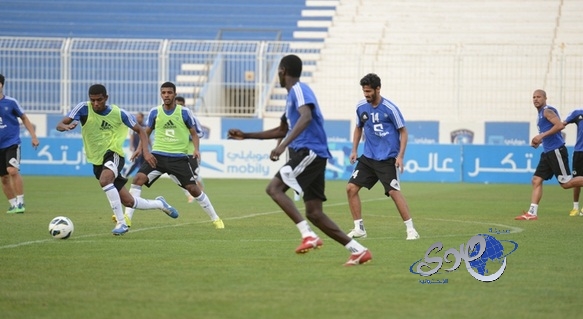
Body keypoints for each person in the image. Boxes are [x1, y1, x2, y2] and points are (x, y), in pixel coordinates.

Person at [228, 54, 372, 266]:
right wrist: (246, 135)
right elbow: (281, 129)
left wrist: (283, 145)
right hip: (311, 154)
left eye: (278, 70)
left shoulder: (299, 90)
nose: (278, 74)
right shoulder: (290, 98)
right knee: (314, 213)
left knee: (274, 189)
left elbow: (306, 117)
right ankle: (358, 250)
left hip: (309, 151)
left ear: (283, 71)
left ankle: (308, 235)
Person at [56, 84, 180, 235]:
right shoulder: (83, 108)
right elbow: (60, 124)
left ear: (106, 98)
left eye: (99, 100)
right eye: (93, 100)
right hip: (97, 159)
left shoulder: (119, 113)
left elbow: (140, 130)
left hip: (114, 154)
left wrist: (146, 152)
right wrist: (65, 126)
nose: (96, 104)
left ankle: (122, 224)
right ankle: (160, 204)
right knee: (129, 201)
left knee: (105, 180)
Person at [123, 82, 224, 229]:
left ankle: (216, 218)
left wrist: (196, 149)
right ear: (160, 94)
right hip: (157, 156)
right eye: (163, 93)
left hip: (178, 158)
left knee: (194, 189)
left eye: (169, 93)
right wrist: (140, 149)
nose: (166, 95)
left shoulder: (184, 112)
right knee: (137, 179)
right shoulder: (155, 112)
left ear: (175, 94)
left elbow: (194, 133)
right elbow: (146, 132)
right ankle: (127, 218)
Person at [345, 73, 420, 240]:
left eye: (369, 91)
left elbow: (403, 131)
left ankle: (411, 230)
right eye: (364, 91)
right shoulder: (361, 107)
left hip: (387, 159)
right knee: (351, 188)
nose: (366, 95)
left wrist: (400, 156)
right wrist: (354, 150)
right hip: (369, 157)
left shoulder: (390, 108)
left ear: (378, 89)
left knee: (394, 192)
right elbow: (359, 127)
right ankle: (359, 228)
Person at [515, 89, 583, 220]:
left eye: (539, 97)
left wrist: (541, 136)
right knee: (536, 180)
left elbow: (559, 126)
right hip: (547, 153)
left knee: (566, 183)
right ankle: (532, 213)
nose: (536, 99)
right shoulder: (541, 114)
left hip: (556, 151)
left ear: (545, 98)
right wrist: (539, 141)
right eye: (534, 97)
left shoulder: (547, 111)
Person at [0, 74, 39, 214]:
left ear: (1, 85)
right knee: (3, 177)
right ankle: (13, 204)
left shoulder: (10, 102)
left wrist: (33, 136)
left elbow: (24, 118)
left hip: (12, 142)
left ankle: (21, 202)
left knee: (12, 171)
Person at [175, 95, 204, 203]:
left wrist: (187, 136)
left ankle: (199, 192)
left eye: (181, 105)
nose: (179, 107)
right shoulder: (172, 118)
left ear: (184, 105)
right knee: (178, 176)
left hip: (190, 152)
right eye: (177, 105)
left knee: (194, 176)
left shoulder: (192, 118)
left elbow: (200, 133)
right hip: (177, 152)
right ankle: (190, 195)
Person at [562, 108, 583, 217]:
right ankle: (575, 207)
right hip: (579, 152)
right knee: (576, 181)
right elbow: (563, 124)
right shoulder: (578, 113)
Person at [122, 112, 146, 178]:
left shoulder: (145, 126)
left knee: (143, 163)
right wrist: (131, 145)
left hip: (144, 148)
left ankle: (143, 176)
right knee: (135, 162)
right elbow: (131, 136)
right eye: (136, 117)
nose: (137, 118)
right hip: (136, 148)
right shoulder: (135, 126)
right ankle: (125, 174)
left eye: (139, 117)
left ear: (142, 118)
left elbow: (147, 137)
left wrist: (150, 145)